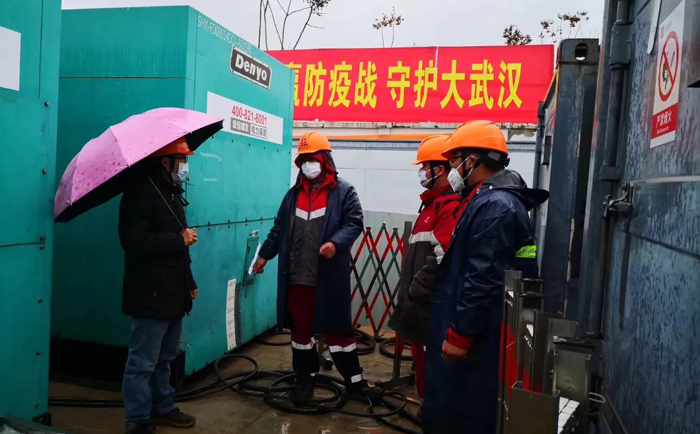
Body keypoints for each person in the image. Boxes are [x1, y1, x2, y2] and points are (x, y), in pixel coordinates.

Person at [422, 121, 549, 434]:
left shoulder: (495, 206)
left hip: (480, 334)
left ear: (472, 161)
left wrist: (460, 335)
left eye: (453, 161)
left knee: (465, 412)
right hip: (478, 326)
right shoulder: (485, 199)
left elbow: (484, 277)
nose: (450, 169)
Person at [253, 131, 380, 404]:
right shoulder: (292, 195)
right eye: (304, 160)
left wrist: (335, 243)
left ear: (325, 160)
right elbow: (279, 229)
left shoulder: (344, 192)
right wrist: (264, 254)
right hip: (297, 277)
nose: (308, 164)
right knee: (301, 333)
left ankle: (355, 384)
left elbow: (354, 222)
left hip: (327, 279)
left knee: (338, 333)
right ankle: (305, 380)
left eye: (313, 159)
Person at [119, 138, 199, 434]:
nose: (185, 167)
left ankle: (163, 406)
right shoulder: (139, 193)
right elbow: (132, 241)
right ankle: (137, 420)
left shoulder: (173, 193)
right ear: (165, 162)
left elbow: (182, 244)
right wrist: (177, 239)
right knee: (143, 362)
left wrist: (189, 282)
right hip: (149, 292)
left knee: (165, 358)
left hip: (173, 291)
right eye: (181, 160)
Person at [387, 134, 461, 407]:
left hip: (430, 310)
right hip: (420, 309)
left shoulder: (449, 206)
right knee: (423, 366)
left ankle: (434, 417)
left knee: (434, 371)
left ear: (439, 169)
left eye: (424, 167)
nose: (421, 173)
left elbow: (443, 256)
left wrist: (415, 290)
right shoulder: (432, 204)